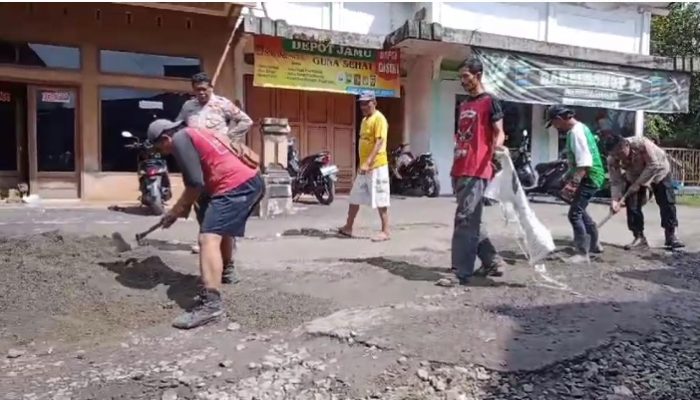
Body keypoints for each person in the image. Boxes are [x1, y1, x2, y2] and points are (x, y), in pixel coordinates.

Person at [147, 119, 263, 329]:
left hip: (235, 185)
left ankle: (212, 305)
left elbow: (195, 183)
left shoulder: (180, 139)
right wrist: (184, 209)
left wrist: (175, 210)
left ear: (166, 138)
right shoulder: (197, 132)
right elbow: (201, 181)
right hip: (250, 180)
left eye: (159, 147)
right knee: (218, 226)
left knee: (208, 238)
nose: (162, 152)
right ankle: (226, 271)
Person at [177, 72, 254, 265]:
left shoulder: (222, 104)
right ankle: (208, 238)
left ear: (211, 88)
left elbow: (246, 121)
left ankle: (227, 243)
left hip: (219, 161)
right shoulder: (188, 107)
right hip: (198, 160)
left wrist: (229, 138)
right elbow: (179, 125)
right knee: (201, 204)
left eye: (204, 89)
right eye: (197, 90)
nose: (201, 93)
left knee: (221, 203)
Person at [447, 57, 508, 286]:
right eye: (461, 77)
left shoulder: (490, 102)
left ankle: (460, 271)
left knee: (465, 219)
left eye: (466, 76)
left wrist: (497, 148)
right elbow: (461, 137)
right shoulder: (463, 105)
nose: (462, 81)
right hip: (460, 168)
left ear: (478, 75)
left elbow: (499, 131)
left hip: (477, 168)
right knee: (473, 219)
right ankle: (493, 261)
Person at [545, 105, 606, 258]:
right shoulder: (579, 129)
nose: (554, 127)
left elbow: (585, 163)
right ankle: (594, 244)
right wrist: (567, 176)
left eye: (553, 123)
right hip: (591, 175)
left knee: (575, 214)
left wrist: (572, 185)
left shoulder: (577, 133)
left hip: (590, 176)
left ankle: (581, 252)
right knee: (580, 209)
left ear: (559, 119)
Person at [607, 134, 684, 250]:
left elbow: (653, 165)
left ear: (626, 146)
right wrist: (615, 200)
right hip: (634, 176)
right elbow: (615, 181)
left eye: (620, 152)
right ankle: (639, 237)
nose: (619, 157)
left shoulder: (642, 144)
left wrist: (638, 184)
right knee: (632, 206)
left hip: (659, 171)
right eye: (615, 154)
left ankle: (671, 235)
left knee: (667, 202)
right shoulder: (612, 159)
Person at [338, 91, 391, 242]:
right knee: (355, 196)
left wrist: (369, 162)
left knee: (381, 198)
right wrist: (362, 164)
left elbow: (379, 142)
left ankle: (386, 231)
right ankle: (348, 227)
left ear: (374, 102)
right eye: (361, 103)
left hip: (377, 165)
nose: (363, 106)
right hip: (364, 167)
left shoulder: (379, 119)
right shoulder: (364, 120)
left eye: (366, 103)